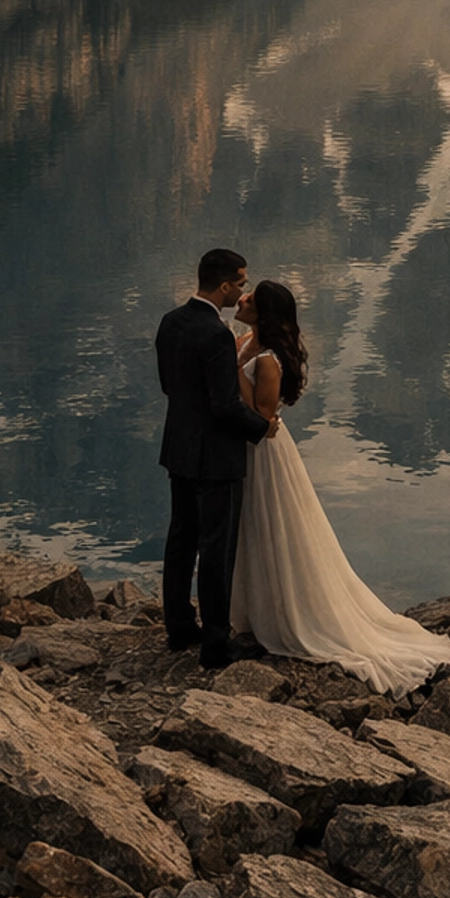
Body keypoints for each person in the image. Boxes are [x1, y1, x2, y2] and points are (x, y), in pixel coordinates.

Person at [231, 278, 450, 691]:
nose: (242, 299)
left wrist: (231, 372)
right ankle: (259, 608)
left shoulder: (266, 361)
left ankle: (286, 614)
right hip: (255, 452)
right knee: (259, 531)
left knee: (272, 529)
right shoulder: (251, 342)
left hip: (263, 454)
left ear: (264, 312)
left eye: (251, 298)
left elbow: (262, 420)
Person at [155, 247, 276, 669]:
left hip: (179, 449)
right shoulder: (217, 335)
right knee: (216, 548)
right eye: (241, 283)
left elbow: (169, 386)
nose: (242, 290)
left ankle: (178, 627)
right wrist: (262, 428)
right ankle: (216, 644)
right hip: (216, 458)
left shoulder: (171, 322)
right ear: (224, 285)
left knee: (180, 540)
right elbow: (224, 406)